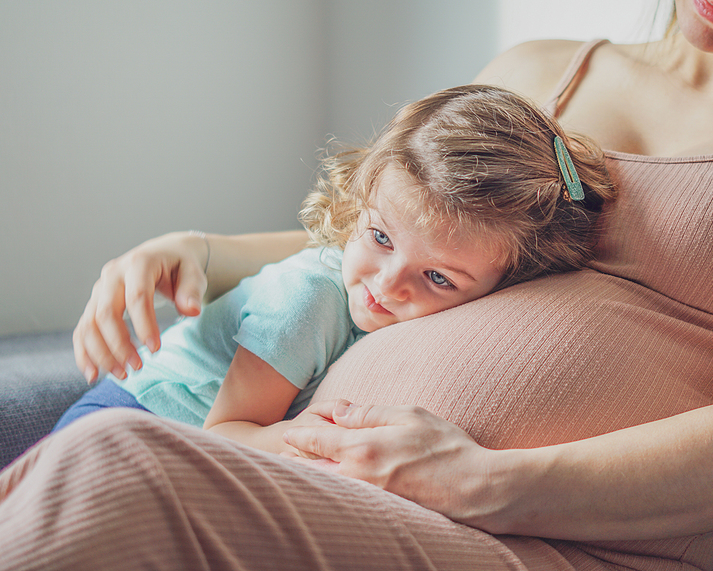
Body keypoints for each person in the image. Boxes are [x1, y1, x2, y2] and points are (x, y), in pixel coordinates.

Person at [0, 1, 713, 570]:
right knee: (93, 459)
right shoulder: (544, 69)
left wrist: (489, 481)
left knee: (119, 463)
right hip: (352, 487)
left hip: (546, 540)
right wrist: (202, 249)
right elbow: (386, 229)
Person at [51, 84, 616, 450]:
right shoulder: (310, 297)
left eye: (437, 277)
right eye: (378, 237)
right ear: (359, 201)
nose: (385, 285)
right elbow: (228, 430)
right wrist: (314, 440)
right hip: (133, 425)